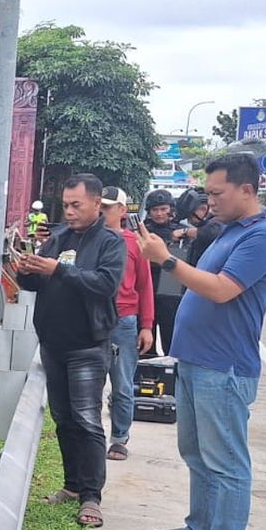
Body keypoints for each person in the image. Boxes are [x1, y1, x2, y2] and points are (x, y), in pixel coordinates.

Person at [139, 153, 266, 530]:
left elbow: (221, 290)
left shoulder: (260, 238)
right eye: (208, 191)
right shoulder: (227, 233)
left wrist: (165, 259)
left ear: (247, 190)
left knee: (226, 461)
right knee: (196, 452)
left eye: (217, 192)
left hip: (224, 368)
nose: (209, 200)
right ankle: (199, 529)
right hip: (197, 362)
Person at [10, 174, 125, 528]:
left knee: (87, 419)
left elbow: (105, 284)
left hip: (88, 345)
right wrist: (26, 270)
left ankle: (92, 496)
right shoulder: (56, 238)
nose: (70, 211)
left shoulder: (110, 242)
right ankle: (73, 486)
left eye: (77, 205)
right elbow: (37, 283)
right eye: (66, 205)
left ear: (96, 203)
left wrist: (59, 269)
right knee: (64, 420)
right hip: (53, 344)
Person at [100, 187, 154, 461]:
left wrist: (147, 325)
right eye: (100, 206)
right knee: (90, 383)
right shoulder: (89, 239)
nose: (103, 211)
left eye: (109, 207)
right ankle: (93, 437)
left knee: (122, 384)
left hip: (123, 321)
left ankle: (119, 438)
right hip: (93, 319)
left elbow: (145, 286)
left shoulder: (134, 243)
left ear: (122, 210)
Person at [141, 189, 186, 355]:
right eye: (155, 210)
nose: (159, 214)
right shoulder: (142, 231)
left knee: (172, 340)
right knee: (145, 344)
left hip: (171, 288)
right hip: (147, 288)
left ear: (171, 209)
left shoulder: (183, 231)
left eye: (163, 209)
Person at [175, 187, 224, 268]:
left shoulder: (219, 223)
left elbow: (211, 233)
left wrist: (184, 232)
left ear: (203, 209)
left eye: (190, 216)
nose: (189, 221)